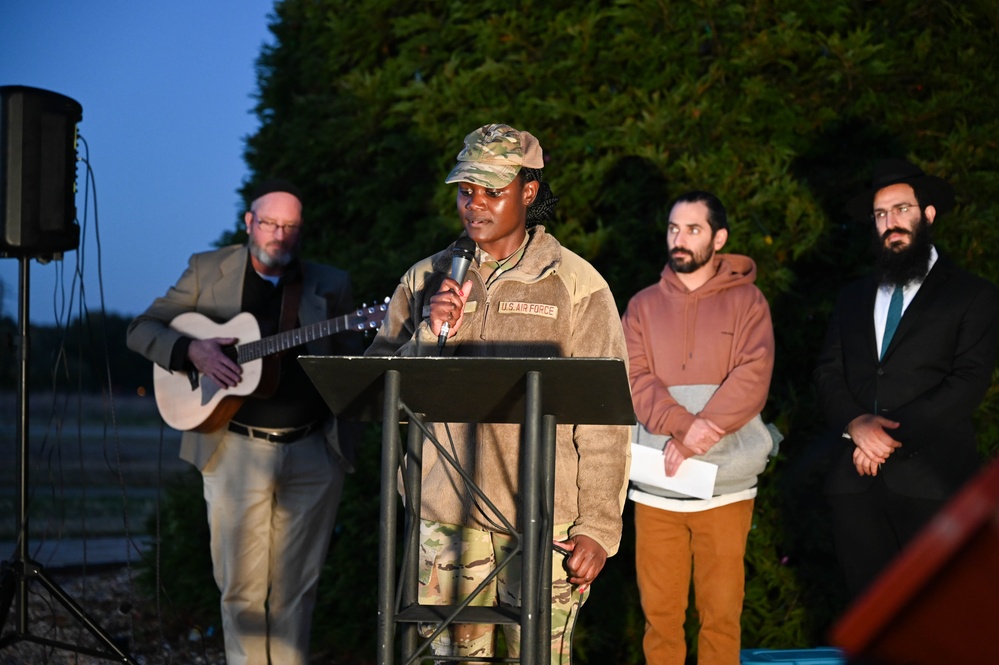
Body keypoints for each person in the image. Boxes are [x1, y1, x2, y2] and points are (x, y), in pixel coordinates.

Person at [365, 123, 631, 663]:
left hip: (546, 523)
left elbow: (606, 421)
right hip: (445, 520)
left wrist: (599, 527)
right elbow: (376, 393)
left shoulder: (576, 285)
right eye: (466, 191)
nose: (475, 205)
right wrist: (430, 333)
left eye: (492, 190)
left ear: (528, 192)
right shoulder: (424, 280)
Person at [126, 179, 364, 665]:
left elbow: (357, 364)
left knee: (298, 589)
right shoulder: (207, 270)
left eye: (291, 226)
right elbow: (142, 329)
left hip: (314, 452)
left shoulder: (330, 284)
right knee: (240, 589)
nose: (280, 233)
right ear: (249, 223)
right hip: (234, 448)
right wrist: (191, 349)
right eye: (271, 223)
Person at [815, 158, 999, 599]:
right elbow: (827, 373)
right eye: (880, 214)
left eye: (901, 209)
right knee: (869, 621)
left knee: (935, 617)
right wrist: (855, 426)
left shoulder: (973, 294)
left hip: (933, 483)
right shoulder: (852, 296)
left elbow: (968, 381)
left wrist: (885, 438)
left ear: (928, 214)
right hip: (855, 486)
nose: (890, 223)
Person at [621, 191, 776, 665]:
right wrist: (684, 428)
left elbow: (753, 375)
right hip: (658, 485)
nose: (679, 239)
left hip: (727, 485)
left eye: (692, 229)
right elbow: (635, 378)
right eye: (673, 228)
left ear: (719, 237)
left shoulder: (748, 301)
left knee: (721, 617)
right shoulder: (642, 305)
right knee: (661, 621)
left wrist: (697, 434)